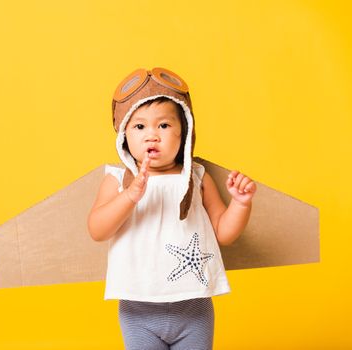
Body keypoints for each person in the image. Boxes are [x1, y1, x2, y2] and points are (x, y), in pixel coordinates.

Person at [87, 67, 257, 350]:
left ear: (184, 133)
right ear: (124, 135)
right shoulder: (116, 180)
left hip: (193, 307)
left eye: (164, 126)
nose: (152, 136)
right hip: (138, 309)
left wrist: (241, 204)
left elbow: (224, 234)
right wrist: (129, 196)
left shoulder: (197, 177)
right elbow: (97, 230)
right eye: (139, 127)